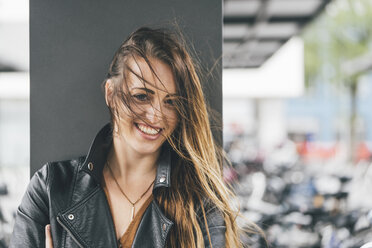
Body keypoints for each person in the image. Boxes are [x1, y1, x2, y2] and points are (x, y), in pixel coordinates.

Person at [10, 27, 244, 248]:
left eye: (171, 102)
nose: (156, 115)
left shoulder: (201, 206)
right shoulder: (51, 188)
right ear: (110, 94)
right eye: (141, 96)